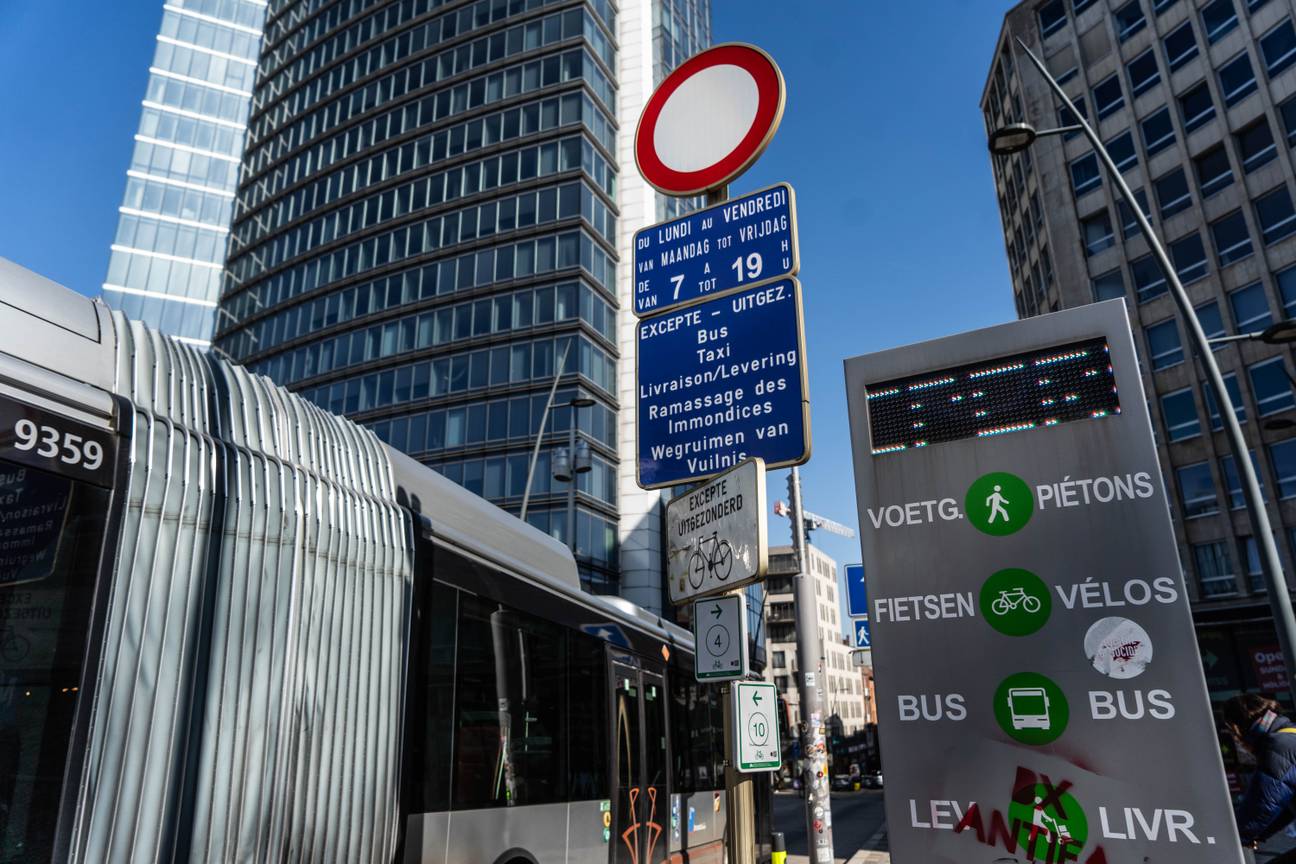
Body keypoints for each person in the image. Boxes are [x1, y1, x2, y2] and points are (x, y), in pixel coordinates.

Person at [1224, 693, 1296, 862]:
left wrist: (1229, 837)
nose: (1237, 741)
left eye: (1233, 734)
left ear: (1236, 728)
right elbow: (1285, 806)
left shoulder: (1279, 745)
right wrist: (1258, 834)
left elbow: (1263, 804)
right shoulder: (1290, 734)